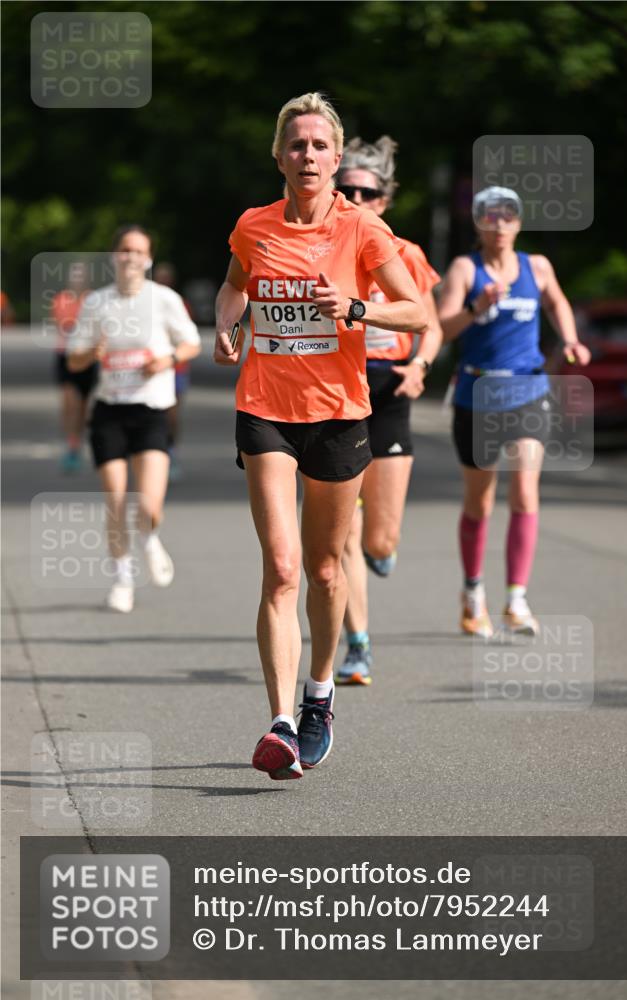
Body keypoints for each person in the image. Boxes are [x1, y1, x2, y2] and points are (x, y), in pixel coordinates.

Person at [213, 92, 426, 780]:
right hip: (265, 408)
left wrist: (358, 307)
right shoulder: (253, 226)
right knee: (281, 568)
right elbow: (233, 286)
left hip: (337, 413)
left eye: (319, 146)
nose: (308, 155)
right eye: (296, 145)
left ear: (336, 159)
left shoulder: (362, 228)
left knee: (326, 569)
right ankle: (279, 724)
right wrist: (226, 323)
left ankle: (319, 694)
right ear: (279, 156)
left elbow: (416, 311)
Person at [438, 186, 590, 637]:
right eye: (490, 216)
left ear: (519, 223)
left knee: (525, 491)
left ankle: (517, 600)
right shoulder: (465, 269)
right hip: (477, 394)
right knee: (479, 501)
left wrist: (569, 339)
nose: (500, 224)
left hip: (528, 390)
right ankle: (473, 593)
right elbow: (442, 328)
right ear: (479, 223)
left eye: (508, 216)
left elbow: (557, 301)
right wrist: (477, 307)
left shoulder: (536, 266)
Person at [335, 137, 442, 685]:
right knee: (343, 535)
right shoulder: (325, 248)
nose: (357, 198)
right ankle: (358, 645)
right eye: (348, 189)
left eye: (368, 192)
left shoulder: (408, 254)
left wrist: (420, 365)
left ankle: (381, 548)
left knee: (379, 539)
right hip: (339, 391)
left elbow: (431, 325)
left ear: (384, 199)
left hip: (391, 391)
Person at [67, 225, 201, 613]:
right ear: (114, 256)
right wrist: (92, 352)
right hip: (109, 410)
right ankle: (122, 580)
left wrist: (167, 360)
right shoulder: (97, 303)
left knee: (149, 506)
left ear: (149, 259)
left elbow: (191, 343)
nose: (131, 257)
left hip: (151, 410)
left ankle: (149, 537)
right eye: (125, 250)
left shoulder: (164, 299)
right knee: (115, 499)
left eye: (139, 251)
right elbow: (74, 360)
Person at [52, 261, 96, 472]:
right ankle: (71, 444)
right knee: (69, 401)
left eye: (81, 275)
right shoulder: (61, 299)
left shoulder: (93, 299)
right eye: (74, 275)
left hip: (88, 357)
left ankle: (77, 441)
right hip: (66, 354)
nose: (78, 279)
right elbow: (64, 324)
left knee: (84, 405)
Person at [153, 262, 193, 481]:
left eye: (166, 278)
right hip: (154, 368)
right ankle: (153, 453)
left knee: (172, 415)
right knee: (153, 414)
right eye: (160, 278)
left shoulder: (180, 303)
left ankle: (172, 451)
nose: (163, 282)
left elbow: (188, 338)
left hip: (177, 368)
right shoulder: (147, 303)